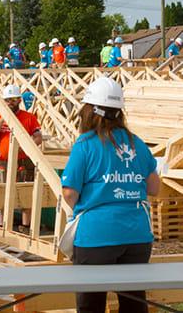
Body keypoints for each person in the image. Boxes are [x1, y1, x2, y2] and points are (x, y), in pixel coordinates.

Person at [61, 77, 159, 313]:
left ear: (89, 111)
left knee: (91, 305)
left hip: (96, 236)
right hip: (136, 234)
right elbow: (154, 188)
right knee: (134, 303)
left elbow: (69, 193)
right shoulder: (136, 143)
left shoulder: (85, 145)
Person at [0, 85, 42, 233]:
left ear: (19, 100)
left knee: (25, 196)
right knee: (2, 197)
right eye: (7, 100)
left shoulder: (28, 117)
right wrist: (3, 118)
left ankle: (25, 228)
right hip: (4, 163)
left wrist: (27, 147)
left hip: (23, 163)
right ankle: (3, 228)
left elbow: (38, 137)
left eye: (13, 100)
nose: (10, 103)